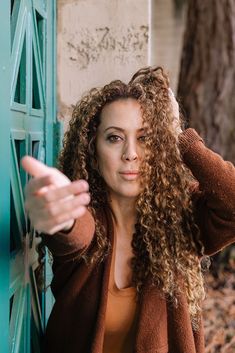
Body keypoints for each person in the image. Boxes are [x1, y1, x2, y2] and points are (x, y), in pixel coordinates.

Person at [21, 67, 235, 353]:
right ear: (93, 154)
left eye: (145, 138)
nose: (131, 153)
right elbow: (73, 232)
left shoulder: (181, 219)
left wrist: (180, 137)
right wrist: (58, 213)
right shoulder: (87, 219)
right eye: (115, 137)